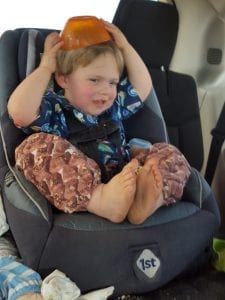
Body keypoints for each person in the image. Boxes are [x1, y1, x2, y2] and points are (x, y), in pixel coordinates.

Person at [8, 16, 191, 224]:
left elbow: (142, 86)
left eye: (113, 82)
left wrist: (125, 46)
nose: (105, 91)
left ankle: (148, 199)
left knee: (168, 153)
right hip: (81, 187)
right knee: (33, 147)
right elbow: (19, 112)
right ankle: (100, 200)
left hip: (126, 179)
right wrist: (45, 68)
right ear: (63, 78)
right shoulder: (55, 109)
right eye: (94, 80)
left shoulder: (114, 108)